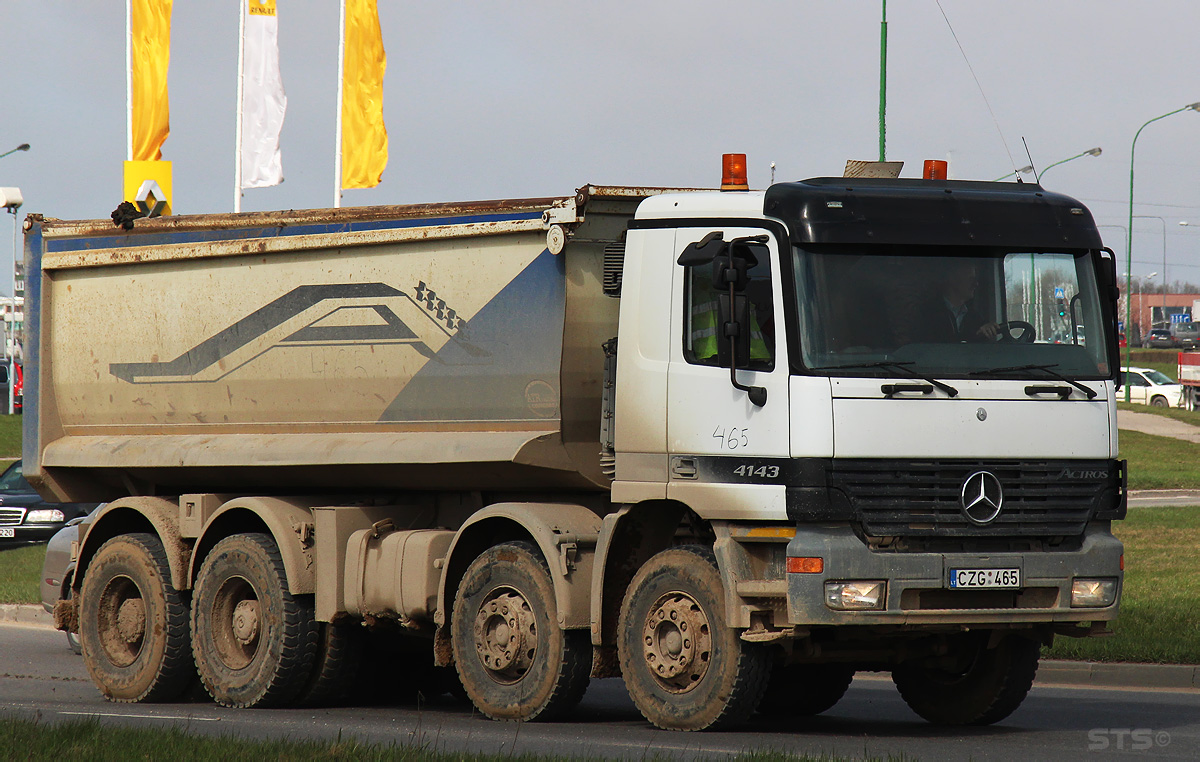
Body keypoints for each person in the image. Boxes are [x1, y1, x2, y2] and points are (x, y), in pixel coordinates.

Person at [919, 260, 1000, 342]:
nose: (976, 284)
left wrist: (987, 330)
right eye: (970, 279)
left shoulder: (975, 317)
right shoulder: (928, 313)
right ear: (952, 279)